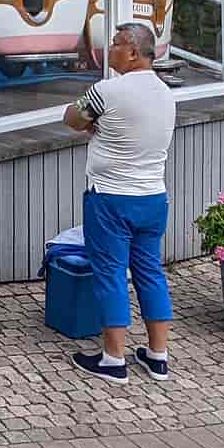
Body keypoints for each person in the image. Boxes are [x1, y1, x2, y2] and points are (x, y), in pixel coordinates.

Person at [65, 21, 175, 384]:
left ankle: (113, 359)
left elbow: (71, 118)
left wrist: (92, 125)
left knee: (110, 274)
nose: (108, 48)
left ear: (132, 52)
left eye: (114, 44)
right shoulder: (166, 93)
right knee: (150, 272)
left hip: (111, 198)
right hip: (153, 197)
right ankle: (158, 355)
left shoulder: (107, 90)